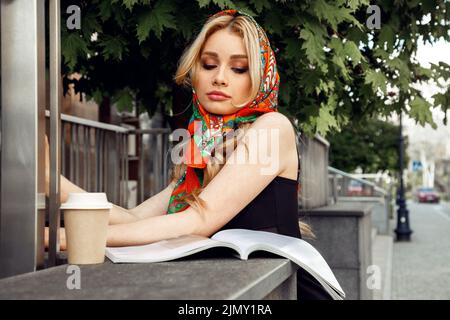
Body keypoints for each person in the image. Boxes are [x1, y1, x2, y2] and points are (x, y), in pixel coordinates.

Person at [45, 9, 332, 300]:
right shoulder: (203, 146)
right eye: (209, 64)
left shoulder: (272, 127)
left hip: (284, 293)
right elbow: (133, 219)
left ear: (260, 78)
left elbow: (197, 220)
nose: (219, 78)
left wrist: (66, 238)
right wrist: (51, 181)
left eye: (239, 68)